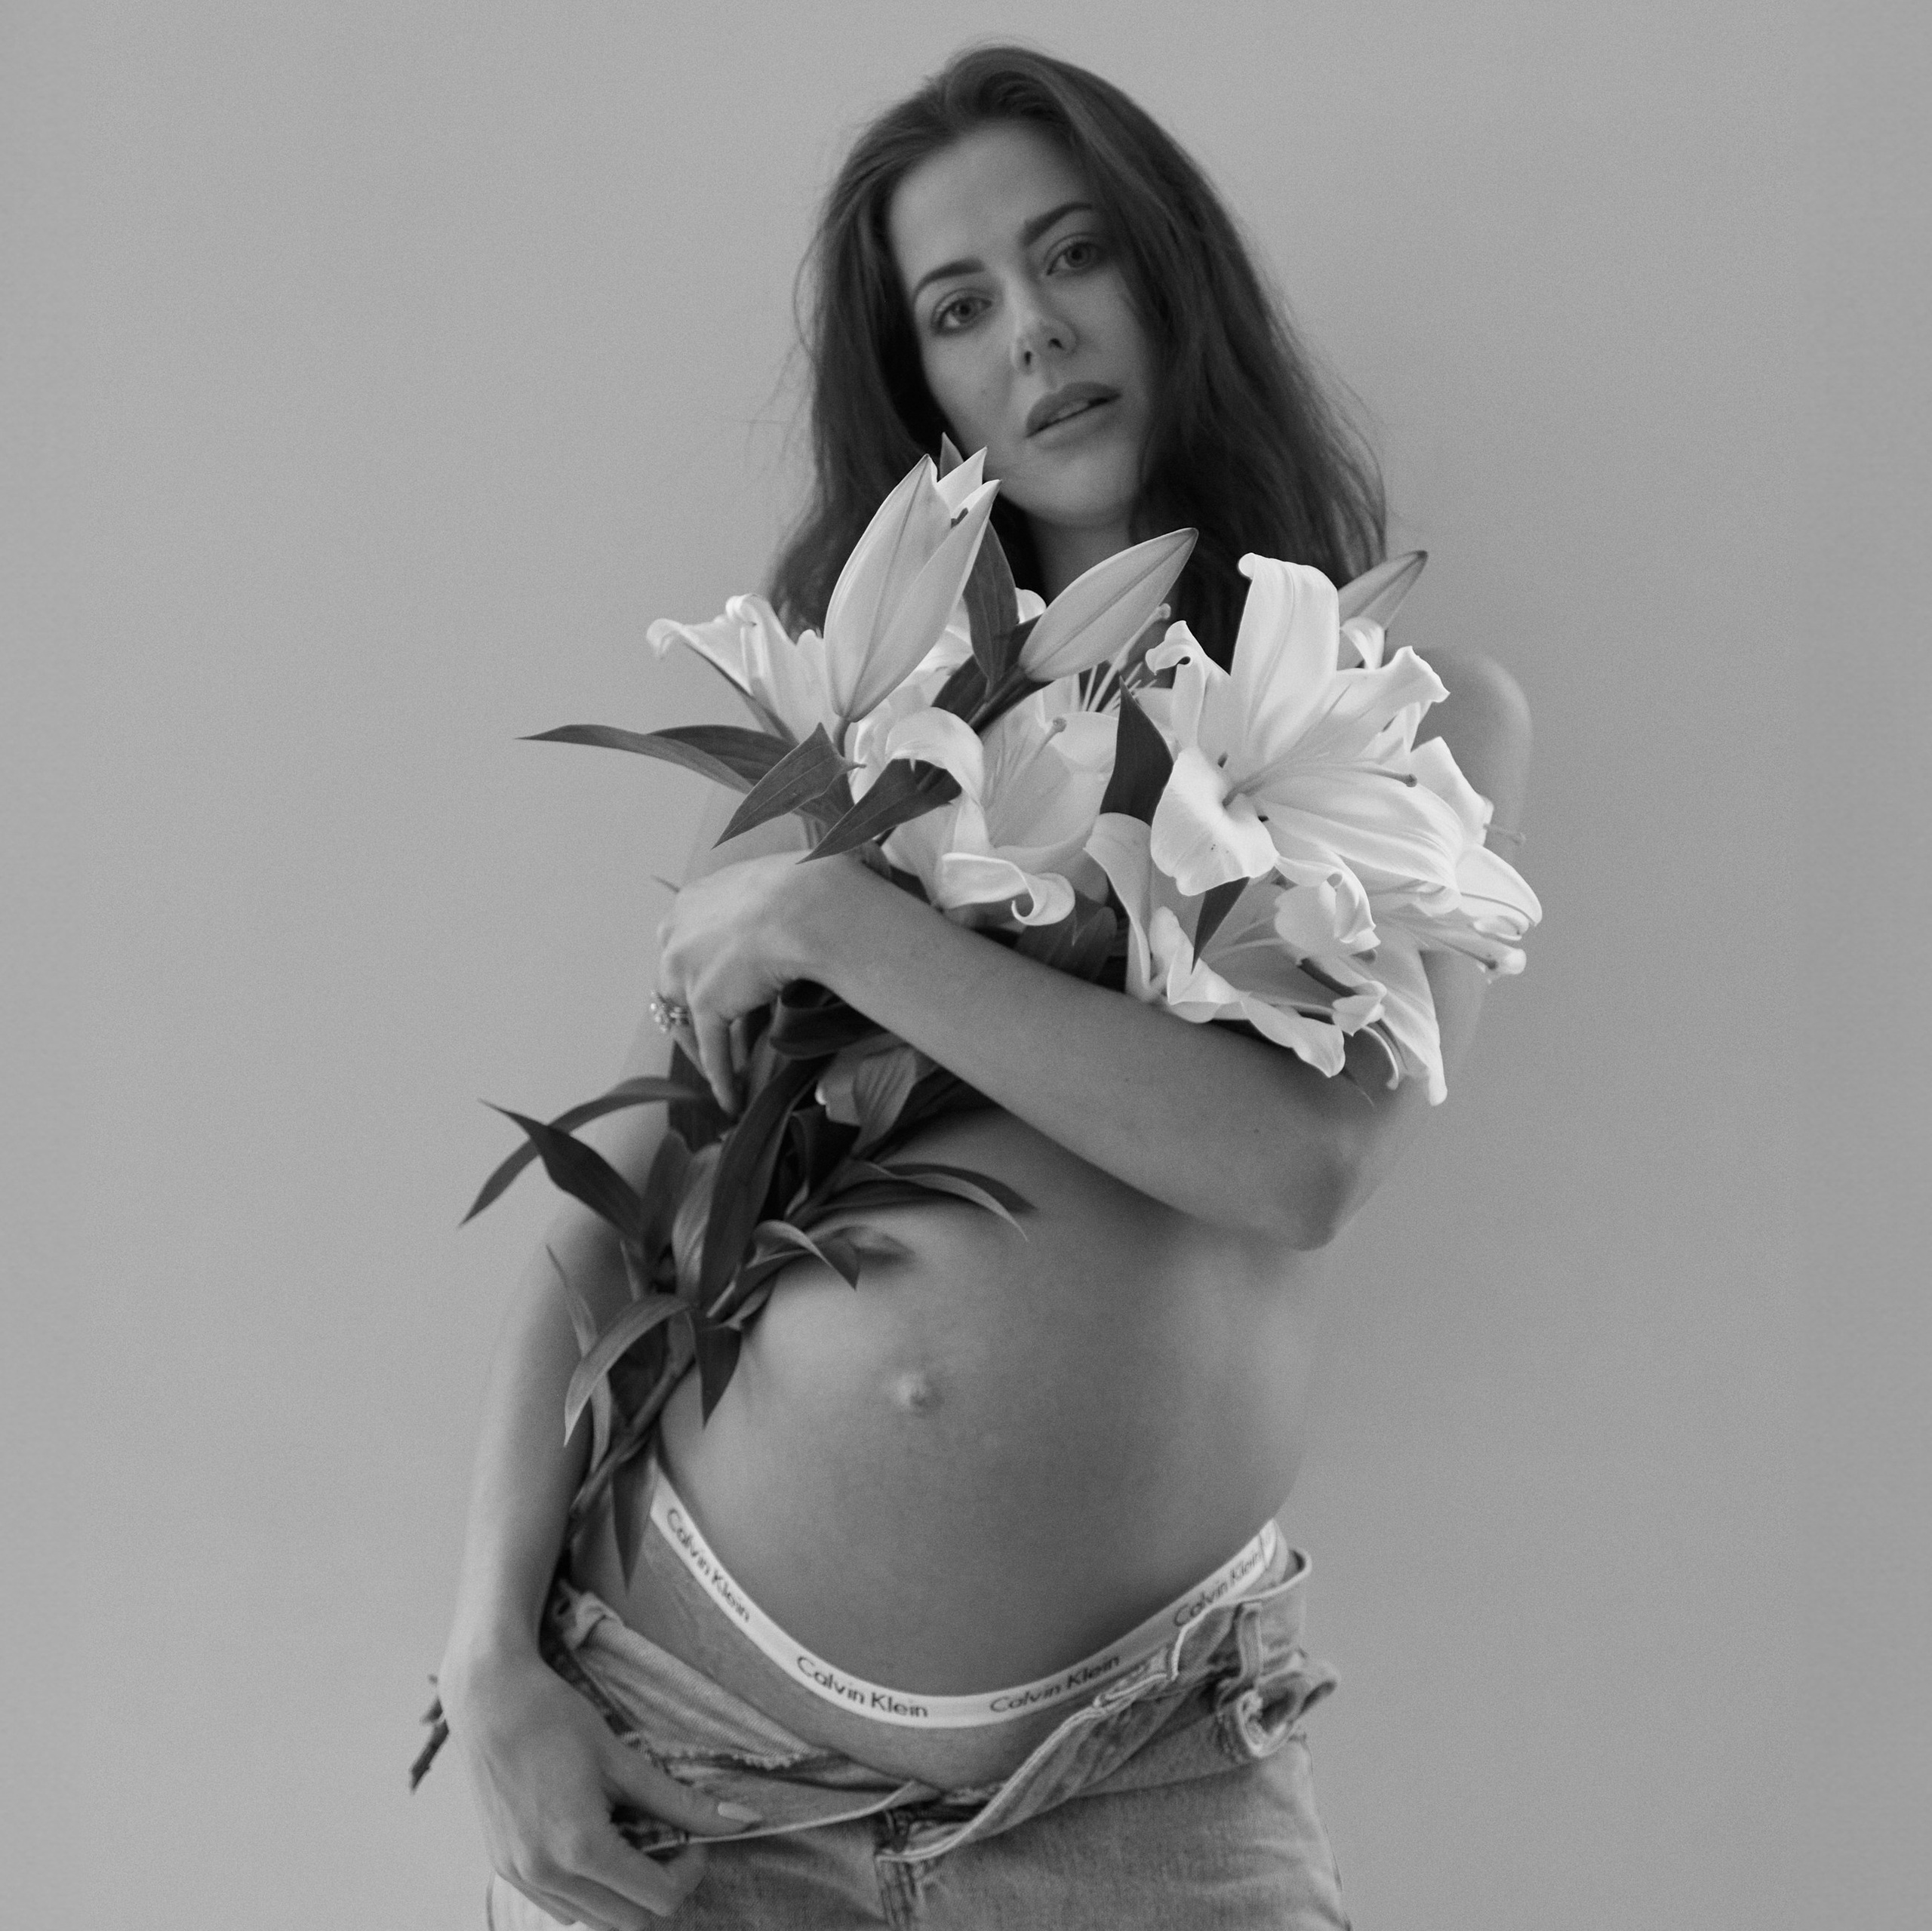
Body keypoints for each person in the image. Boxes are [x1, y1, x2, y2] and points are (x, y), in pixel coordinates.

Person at [438, 44, 1531, 1929]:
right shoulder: (861, 734)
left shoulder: (1408, 720)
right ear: (923, 385)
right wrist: (486, 1664)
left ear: (1166, 274)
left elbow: (1300, 1167)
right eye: (960, 307)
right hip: (690, 1750)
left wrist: (851, 932)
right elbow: (604, 1218)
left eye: (1073, 254)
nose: (1032, 333)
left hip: (1139, 1782)